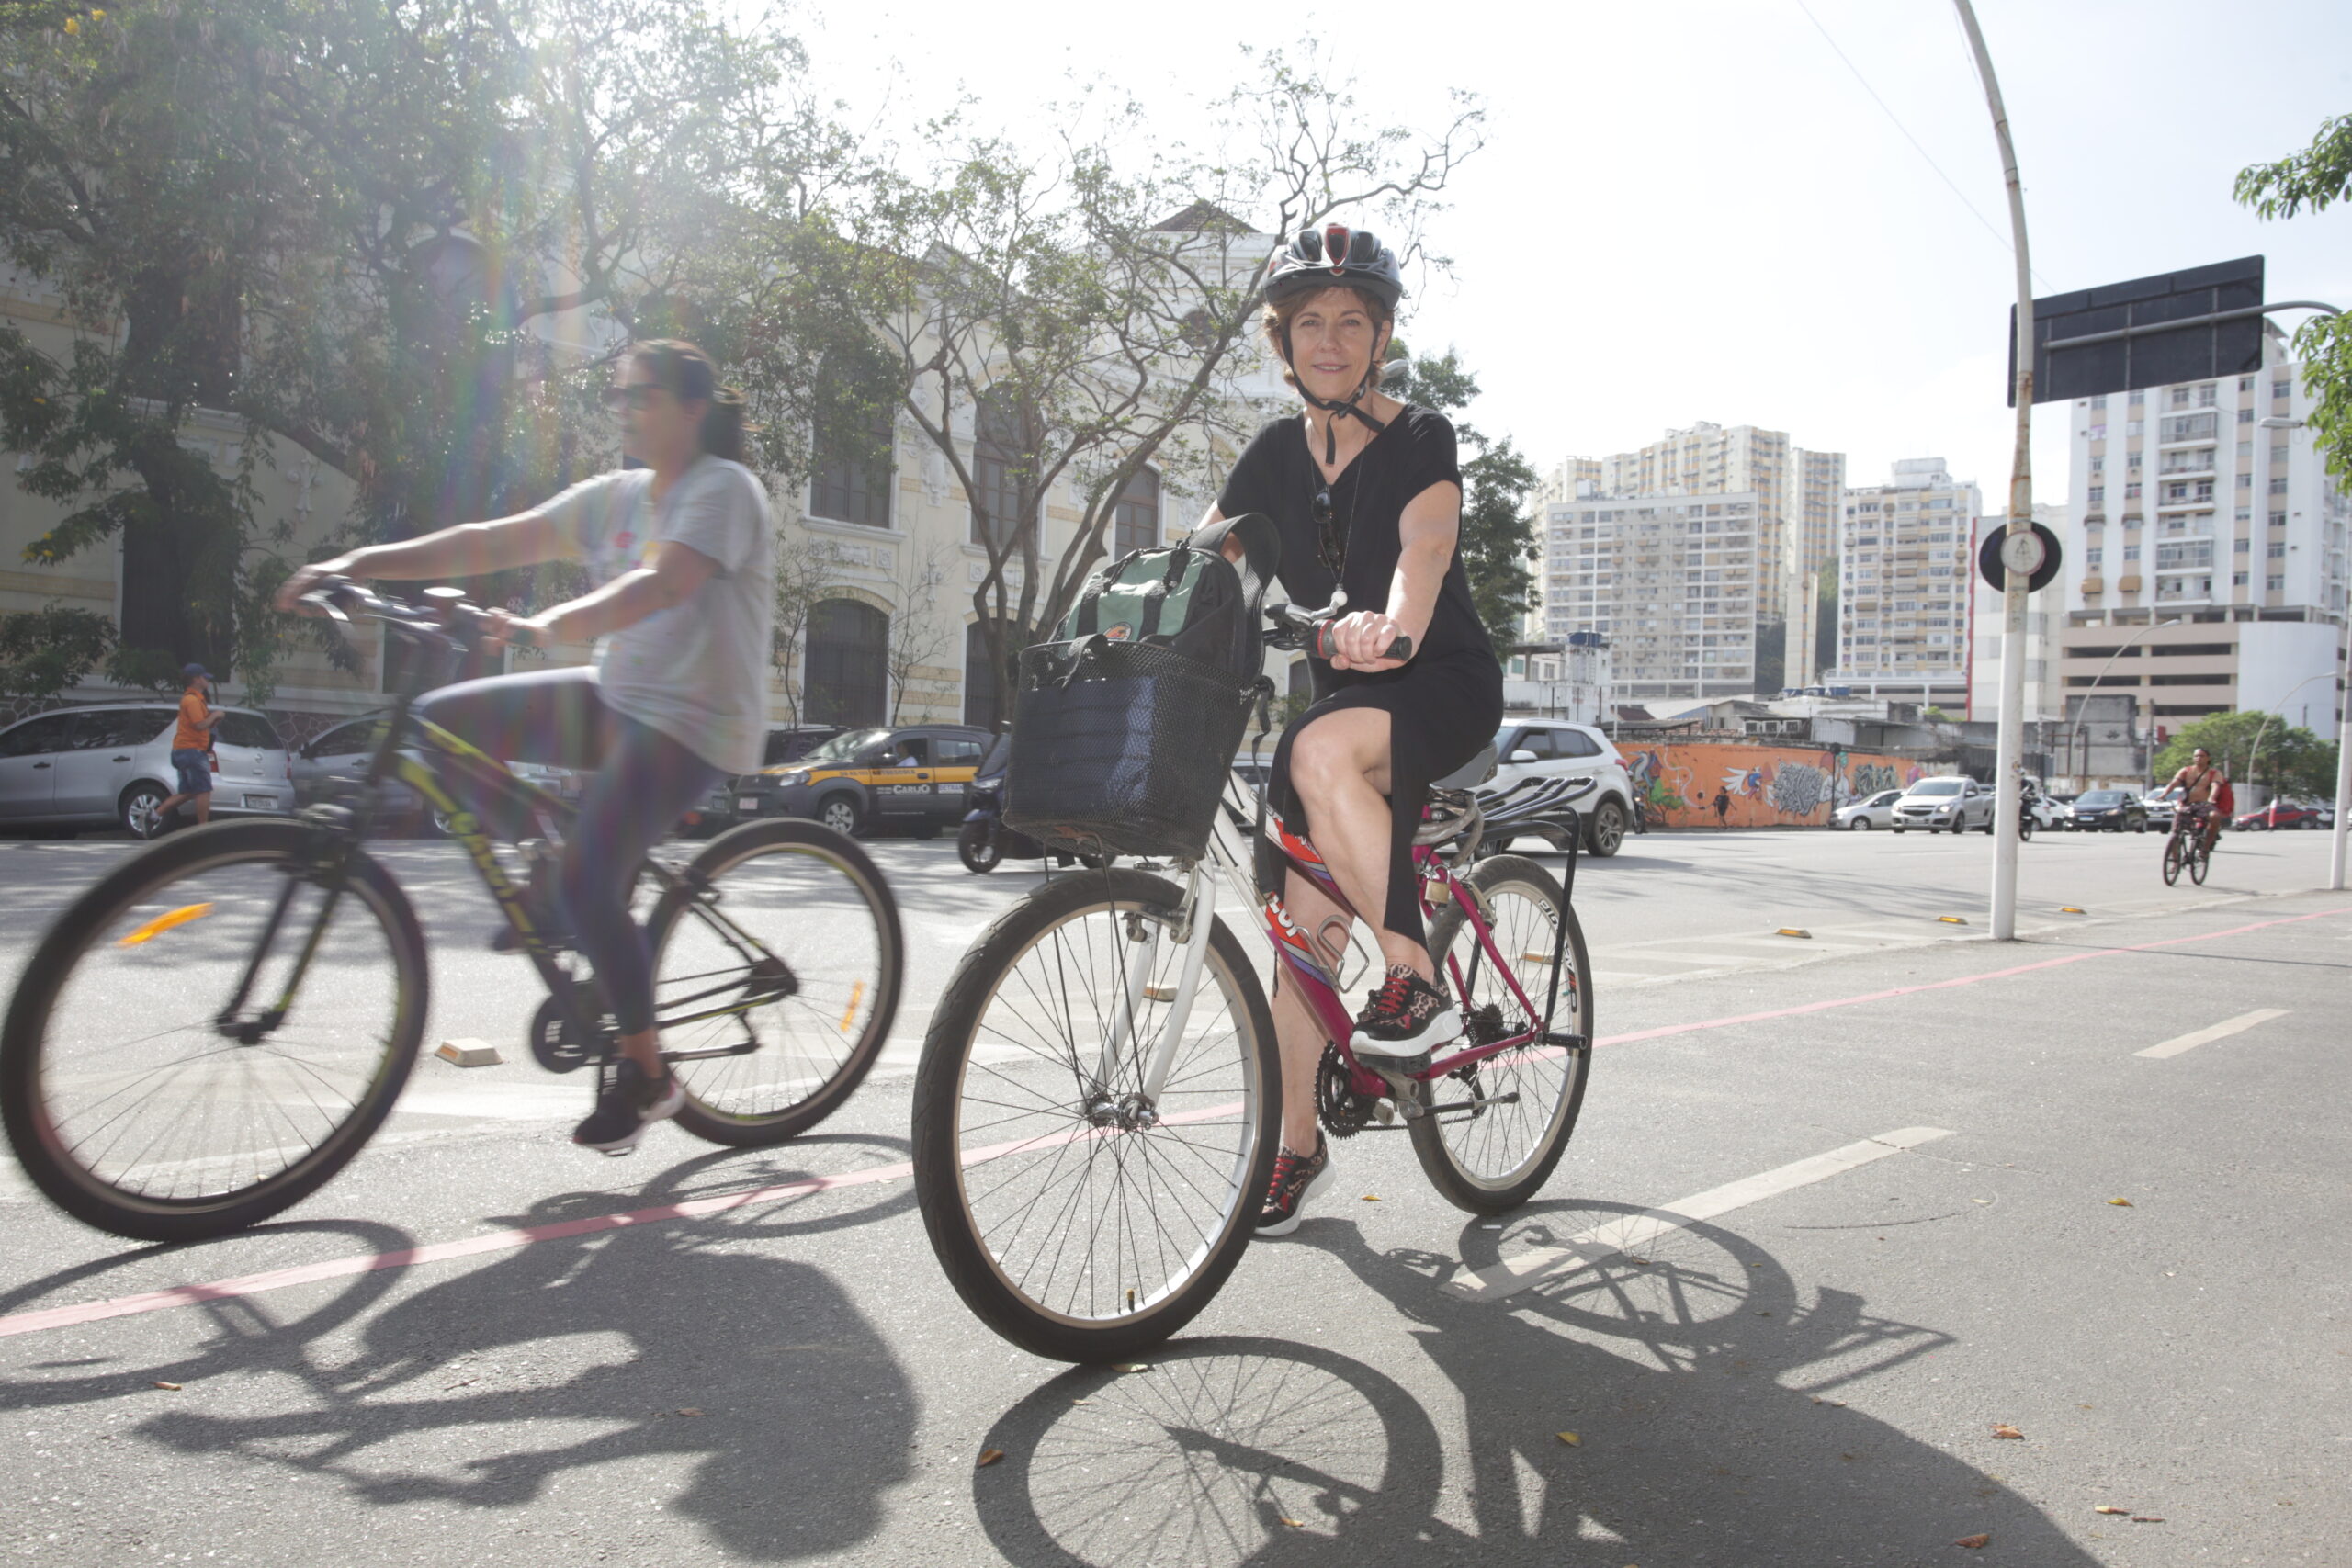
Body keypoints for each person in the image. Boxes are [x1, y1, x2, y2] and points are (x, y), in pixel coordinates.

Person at [277, 340, 776, 1155]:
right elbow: (489, 540)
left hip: (695, 721)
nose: (624, 411)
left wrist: (548, 628)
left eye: (642, 396)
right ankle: (556, 865)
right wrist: (355, 561)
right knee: (437, 720)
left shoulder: (724, 491)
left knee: (588, 888)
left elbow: (662, 584)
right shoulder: (615, 497)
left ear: (692, 409)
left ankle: (648, 1075)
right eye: (617, 396)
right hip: (616, 700)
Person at [1201, 223, 1504, 1237]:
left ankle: (1413, 981)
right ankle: (1296, 1147)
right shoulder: (1273, 454)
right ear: (1281, 342)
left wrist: (1395, 623)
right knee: (1297, 936)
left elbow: (1425, 546)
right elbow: (1211, 554)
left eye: (1351, 322)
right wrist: (1131, 609)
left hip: (1437, 682)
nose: (1328, 340)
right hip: (1332, 709)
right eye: (1308, 323)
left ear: (1379, 339)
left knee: (1321, 749)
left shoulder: (1419, 437)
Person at [150, 663, 220, 836]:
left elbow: (203, 726)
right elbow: (199, 725)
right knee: (203, 789)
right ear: (196, 679)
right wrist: (216, 715)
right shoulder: (192, 700)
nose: (207, 681)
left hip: (185, 750)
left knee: (188, 792)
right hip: (192, 751)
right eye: (205, 678)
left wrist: (213, 719)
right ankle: (203, 830)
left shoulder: (194, 699)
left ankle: (153, 815)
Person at [2158, 745, 2227, 854]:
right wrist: (2163, 794)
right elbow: (2174, 783)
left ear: (2208, 758)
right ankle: (2175, 862)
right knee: (2175, 833)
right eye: (2196, 756)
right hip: (2187, 805)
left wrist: (2211, 798)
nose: (2198, 758)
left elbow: (2215, 786)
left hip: (2204, 805)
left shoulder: (2214, 773)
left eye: (2202, 756)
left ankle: (2205, 848)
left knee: (2215, 817)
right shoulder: (2186, 770)